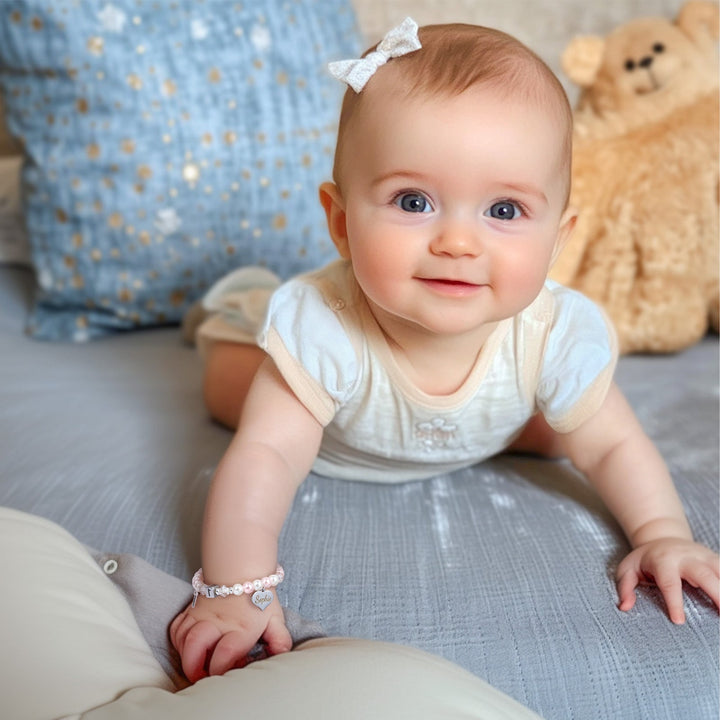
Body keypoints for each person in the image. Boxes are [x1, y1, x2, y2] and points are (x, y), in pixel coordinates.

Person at [170, 18, 720, 684]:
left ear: (558, 236)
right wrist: (236, 589)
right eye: (414, 200)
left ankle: (471, 422)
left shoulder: (550, 334)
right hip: (338, 421)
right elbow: (268, 453)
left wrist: (662, 532)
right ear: (341, 222)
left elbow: (613, 447)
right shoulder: (326, 326)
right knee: (233, 390)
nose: (458, 242)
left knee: (572, 427)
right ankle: (239, 303)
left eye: (505, 211)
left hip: (475, 419)